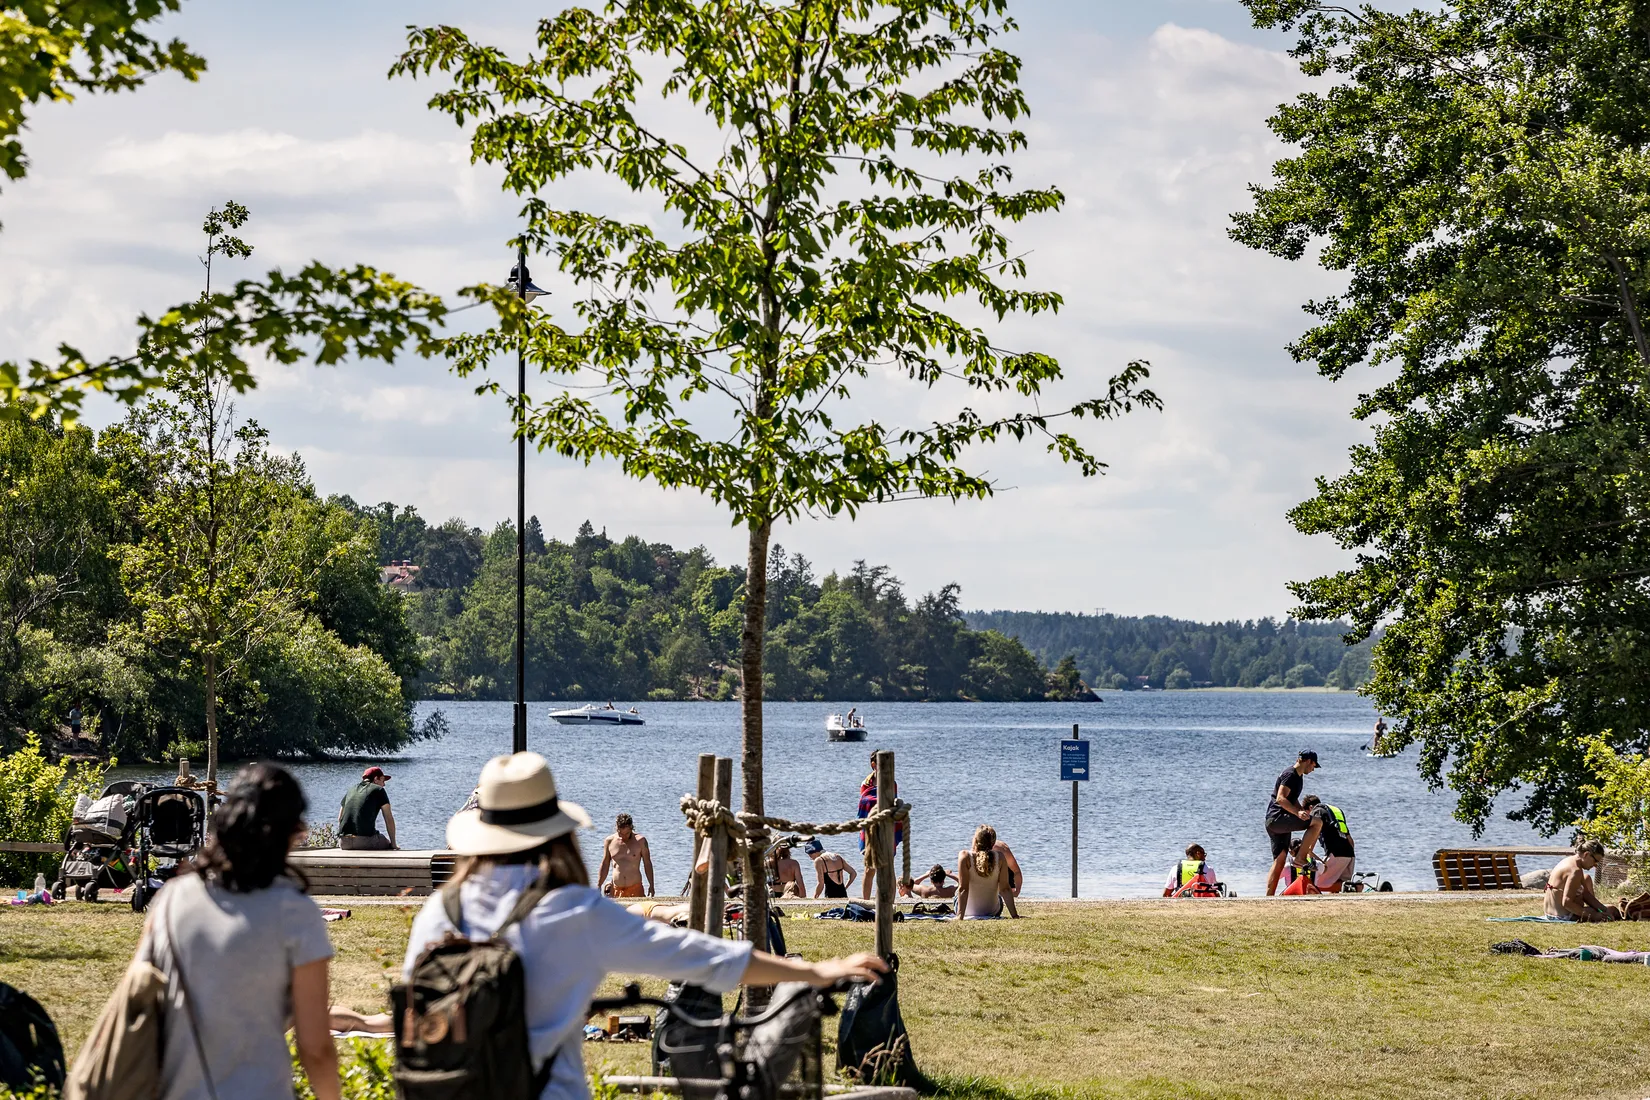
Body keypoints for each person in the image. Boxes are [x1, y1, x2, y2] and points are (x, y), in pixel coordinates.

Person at [401, 752, 887, 1100]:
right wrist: (815, 972)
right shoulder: (570, 911)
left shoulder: (440, 910)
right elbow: (702, 956)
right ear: (554, 833)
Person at [138, 762, 340, 1100]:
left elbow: (141, 996)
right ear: (288, 833)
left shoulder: (172, 899)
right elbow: (315, 1046)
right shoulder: (294, 912)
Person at [1264, 750, 1319, 896]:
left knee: (1280, 860)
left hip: (1274, 821)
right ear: (1308, 761)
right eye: (1314, 766)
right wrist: (1297, 813)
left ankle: (1268, 897)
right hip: (1278, 819)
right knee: (1317, 823)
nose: (1313, 770)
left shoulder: (1298, 777)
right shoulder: (1290, 774)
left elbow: (1292, 800)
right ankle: (1300, 858)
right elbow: (1281, 798)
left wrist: (1301, 811)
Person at [857, 752, 902, 900]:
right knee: (869, 869)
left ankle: (889, 903)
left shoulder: (891, 783)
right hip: (870, 829)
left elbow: (893, 804)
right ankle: (866, 903)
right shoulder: (866, 784)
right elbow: (864, 805)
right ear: (874, 765)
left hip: (887, 828)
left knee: (889, 868)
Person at [1544, 840, 1619, 922]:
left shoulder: (1569, 862)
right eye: (1595, 861)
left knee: (1609, 909)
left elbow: (1586, 894)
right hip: (1564, 916)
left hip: (1551, 914)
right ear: (1586, 854)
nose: (1596, 865)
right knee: (1612, 910)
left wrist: (1604, 910)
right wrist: (1593, 916)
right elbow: (1567, 903)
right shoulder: (1575, 871)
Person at [956, 825, 1019, 919]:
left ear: (975, 840)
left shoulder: (964, 856)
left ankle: (960, 912)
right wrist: (1014, 915)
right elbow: (1005, 889)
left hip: (967, 912)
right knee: (998, 896)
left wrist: (960, 916)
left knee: (956, 893)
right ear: (992, 844)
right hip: (993, 911)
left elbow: (963, 889)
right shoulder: (1000, 857)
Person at [1299, 795, 1356, 892]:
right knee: (1340, 882)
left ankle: (1357, 887)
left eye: (1306, 813)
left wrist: (1308, 852)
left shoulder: (1316, 811)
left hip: (1336, 853)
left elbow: (1314, 831)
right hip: (1349, 853)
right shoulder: (1335, 812)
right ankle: (1356, 886)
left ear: (1310, 807)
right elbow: (1350, 840)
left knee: (1315, 883)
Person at [596, 813, 655, 898]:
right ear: (617, 828)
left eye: (627, 833)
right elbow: (605, 864)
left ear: (631, 828)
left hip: (635, 888)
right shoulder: (609, 841)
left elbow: (647, 863)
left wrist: (651, 885)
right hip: (616, 889)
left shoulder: (641, 841)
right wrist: (599, 884)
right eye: (621, 833)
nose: (624, 837)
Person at [338, 766, 396, 851]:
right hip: (364, 841)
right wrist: (393, 844)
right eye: (382, 780)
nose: (384, 784)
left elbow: (340, 818)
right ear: (376, 779)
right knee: (386, 842)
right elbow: (388, 819)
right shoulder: (379, 790)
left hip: (343, 842)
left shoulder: (351, 789)